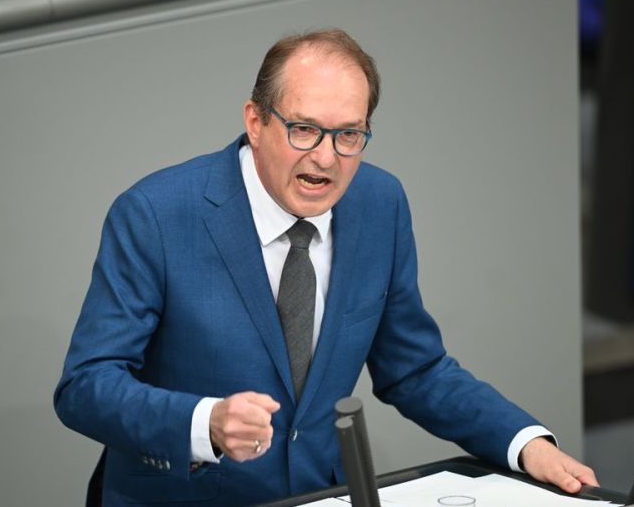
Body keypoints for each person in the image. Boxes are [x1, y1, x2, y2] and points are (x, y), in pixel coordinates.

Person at [53, 28, 598, 506]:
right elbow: (85, 385)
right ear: (255, 121)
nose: (326, 157)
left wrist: (525, 443)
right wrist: (206, 423)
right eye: (304, 129)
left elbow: (415, 369)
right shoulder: (155, 214)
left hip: (320, 496)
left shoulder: (379, 204)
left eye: (348, 135)